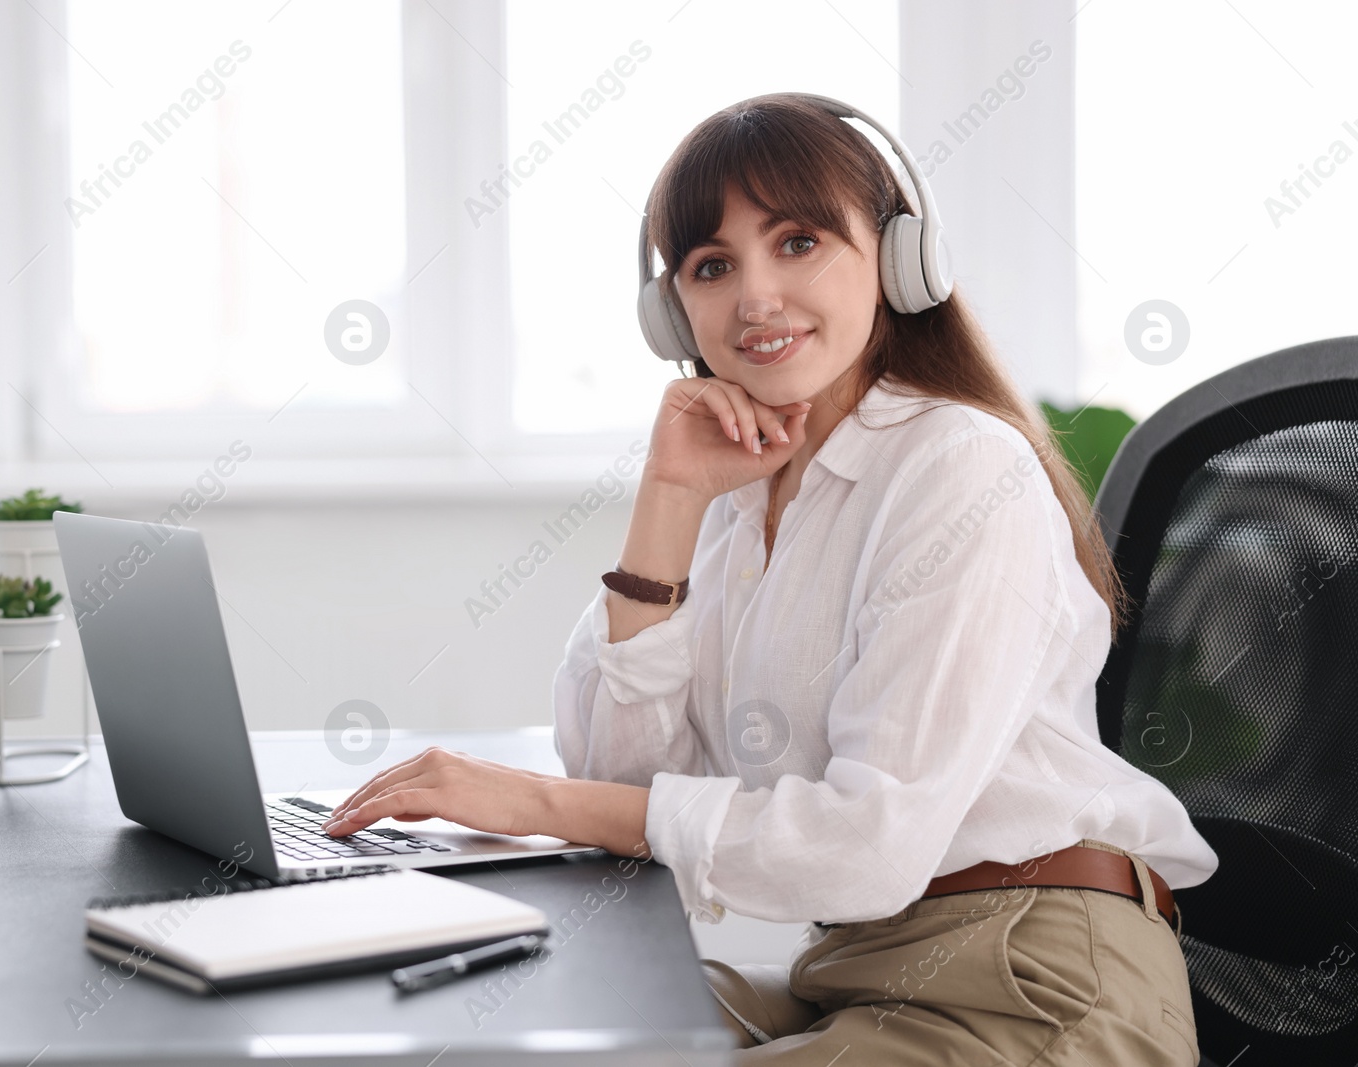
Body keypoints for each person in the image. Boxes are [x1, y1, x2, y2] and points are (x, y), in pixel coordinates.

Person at [323, 92, 1217, 1065]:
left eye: (797, 243)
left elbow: (865, 843)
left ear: (899, 258)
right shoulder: (735, 500)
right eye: (712, 266)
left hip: (1035, 982)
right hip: (858, 965)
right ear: (673, 313)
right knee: (522, 1023)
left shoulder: (959, 470)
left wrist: (531, 801)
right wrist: (667, 501)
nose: (754, 296)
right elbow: (626, 786)